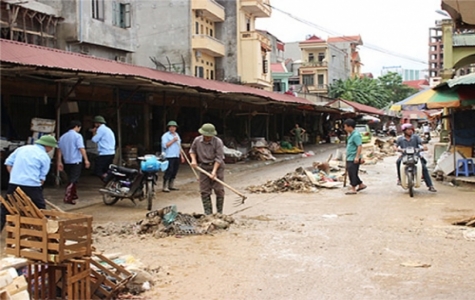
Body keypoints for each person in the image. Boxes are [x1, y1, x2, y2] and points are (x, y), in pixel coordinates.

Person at [1, 135, 58, 231]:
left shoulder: (21, 149)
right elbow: (42, 178)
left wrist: (15, 175)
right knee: (40, 210)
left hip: (14, 183)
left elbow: (8, 163)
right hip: (32, 185)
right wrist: (39, 189)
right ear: (47, 146)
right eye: (51, 147)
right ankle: (46, 233)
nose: (51, 149)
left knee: (5, 208)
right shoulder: (44, 156)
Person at [189, 123, 225, 215]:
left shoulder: (218, 142)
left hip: (217, 166)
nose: (208, 138)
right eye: (206, 136)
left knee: (218, 189)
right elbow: (192, 151)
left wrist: (214, 171)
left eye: (210, 136)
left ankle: (219, 213)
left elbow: (219, 158)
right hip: (203, 167)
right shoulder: (197, 140)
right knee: (204, 191)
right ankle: (208, 213)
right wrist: (193, 160)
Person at [394, 123, 437, 192]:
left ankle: (430, 185)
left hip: (416, 156)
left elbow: (422, 144)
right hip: (405, 156)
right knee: (398, 162)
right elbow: (395, 146)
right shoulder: (400, 139)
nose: (410, 131)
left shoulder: (416, 137)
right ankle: (400, 179)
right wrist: (397, 149)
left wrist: (424, 147)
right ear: (404, 131)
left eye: (411, 130)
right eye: (408, 130)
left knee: (424, 168)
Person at [57, 120, 90, 205]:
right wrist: (86, 159)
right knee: (73, 179)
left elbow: (59, 150)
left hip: (66, 160)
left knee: (71, 178)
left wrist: (59, 161)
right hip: (76, 160)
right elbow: (81, 148)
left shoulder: (63, 137)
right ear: (77, 127)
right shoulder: (77, 136)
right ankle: (68, 197)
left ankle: (73, 194)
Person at [343, 119, 367, 195]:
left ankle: (353, 188)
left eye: (345, 127)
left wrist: (357, 157)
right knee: (353, 172)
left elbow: (359, 146)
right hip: (350, 157)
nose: (344, 128)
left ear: (350, 127)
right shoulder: (351, 135)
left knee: (352, 173)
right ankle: (361, 184)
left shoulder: (356, 135)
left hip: (353, 157)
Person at [161, 120, 185, 192]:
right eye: (171, 127)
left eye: (174, 127)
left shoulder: (177, 135)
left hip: (176, 155)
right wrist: (173, 140)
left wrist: (182, 156)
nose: (172, 128)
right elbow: (165, 145)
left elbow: (179, 146)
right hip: (169, 155)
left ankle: (171, 185)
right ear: (168, 128)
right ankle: (164, 186)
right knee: (169, 170)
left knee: (175, 170)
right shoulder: (165, 136)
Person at [91, 115, 116, 181]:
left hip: (104, 153)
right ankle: (108, 182)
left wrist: (94, 132)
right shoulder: (108, 129)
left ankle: (107, 179)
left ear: (97, 123)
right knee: (106, 169)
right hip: (111, 152)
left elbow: (94, 140)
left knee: (98, 170)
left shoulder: (100, 129)